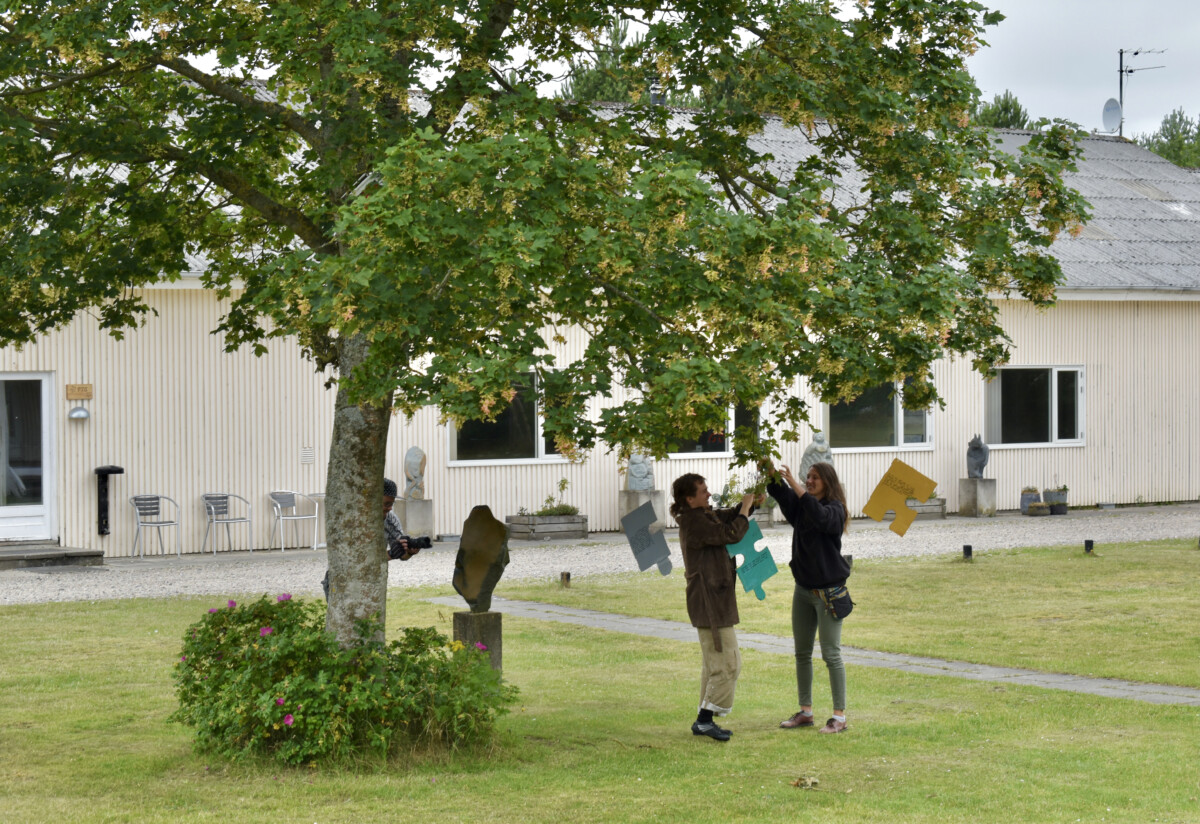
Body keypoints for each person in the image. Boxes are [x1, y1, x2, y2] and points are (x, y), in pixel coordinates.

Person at [671, 472, 761, 742]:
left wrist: (752, 501)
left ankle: (704, 718)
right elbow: (730, 533)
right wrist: (744, 510)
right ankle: (704, 720)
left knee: (715, 663)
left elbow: (728, 518)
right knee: (728, 662)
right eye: (703, 491)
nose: (708, 494)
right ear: (689, 498)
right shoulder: (693, 522)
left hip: (715, 598)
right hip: (708, 602)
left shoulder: (703, 515)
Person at [766, 461, 852, 734]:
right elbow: (784, 495)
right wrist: (770, 472)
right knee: (802, 653)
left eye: (815, 478)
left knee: (831, 654)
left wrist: (797, 485)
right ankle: (806, 712)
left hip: (829, 594)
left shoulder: (835, 510)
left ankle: (839, 717)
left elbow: (820, 517)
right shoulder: (803, 507)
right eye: (808, 477)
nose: (810, 481)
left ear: (828, 482)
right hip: (802, 590)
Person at [321, 478, 417, 600]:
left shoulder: (390, 519)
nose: (390, 508)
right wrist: (390, 554)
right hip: (343, 581)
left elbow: (401, 554)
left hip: (371, 581)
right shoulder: (351, 519)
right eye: (386, 504)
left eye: (392, 504)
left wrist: (409, 551)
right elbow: (356, 559)